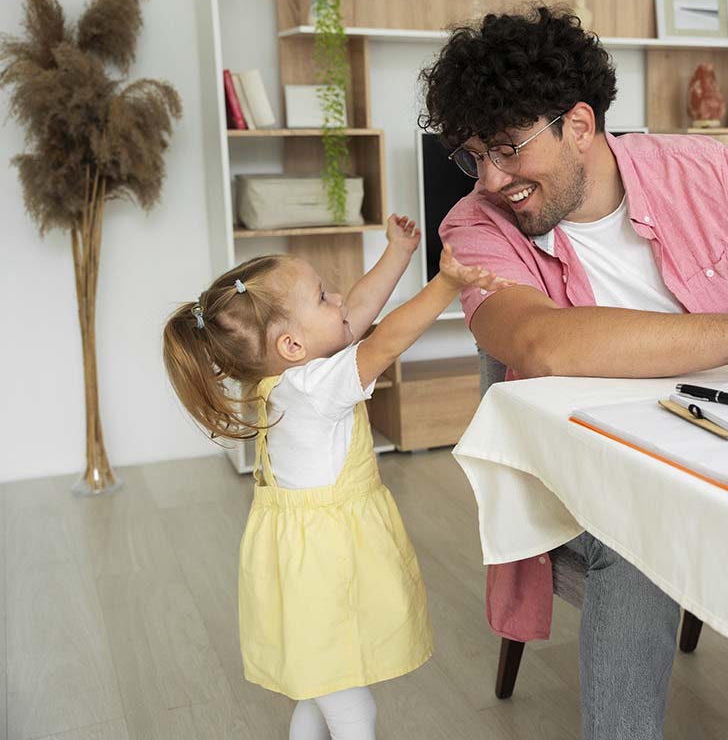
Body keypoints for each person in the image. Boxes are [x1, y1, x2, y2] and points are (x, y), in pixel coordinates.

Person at [420, 5, 728, 740]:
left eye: (507, 148)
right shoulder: (474, 228)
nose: (491, 179)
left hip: (723, 432)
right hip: (579, 468)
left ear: (581, 125)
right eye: (473, 155)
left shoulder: (704, 172)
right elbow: (540, 343)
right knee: (641, 531)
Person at [162, 215, 511, 740]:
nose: (340, 297)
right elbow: (383, 341)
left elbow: (359, 313)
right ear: (292, 347)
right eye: (323, 296)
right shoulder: (314, 388)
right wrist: (446, 285)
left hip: (298, 561)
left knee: (317, 687)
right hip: (327, 564)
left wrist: (397, 251)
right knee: (352, 711)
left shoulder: (282, 380)